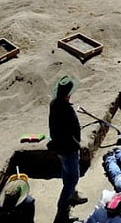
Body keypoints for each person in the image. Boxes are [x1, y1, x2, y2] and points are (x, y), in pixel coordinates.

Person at [48, 75, 88, 223]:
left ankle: (72, 194)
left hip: (60, 148)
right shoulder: (66, 109)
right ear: (68, 93)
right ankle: (63, 211)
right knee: (72, 178)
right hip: (68, 149)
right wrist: (76, 145)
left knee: (67, 173)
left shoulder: (54, 104)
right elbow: (68, 133)